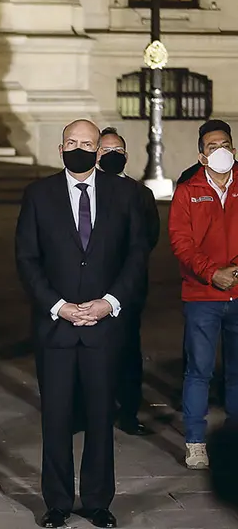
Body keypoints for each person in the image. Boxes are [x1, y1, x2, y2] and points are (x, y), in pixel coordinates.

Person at [15, 119, 147, 529]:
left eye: (87, 144)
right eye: (71, 142)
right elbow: (27, 258)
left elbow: (136, 255)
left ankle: (97, 502)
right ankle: (57, 503)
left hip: (104, 328)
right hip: (56, 327)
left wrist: (109, 303)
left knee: (100, 418)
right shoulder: (39, 195)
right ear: (60, 149)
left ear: (98, 150)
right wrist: (59, 306)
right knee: (55, 418)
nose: (79, 149)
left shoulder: (124, 194)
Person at [167, 119, 238, 471]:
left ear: (234, 149)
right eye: (213, 147)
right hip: (202, 297)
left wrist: (234, 272)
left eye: (225, 144)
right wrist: (213, 273)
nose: (220, 151)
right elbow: (182, 243)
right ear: (202, 156)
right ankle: (196, 442)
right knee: (199, 371)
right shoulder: (187, 190)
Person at [97, 126, 160, 435]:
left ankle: (128, 413)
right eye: (105, 150)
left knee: (128, 352)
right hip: (90, 288)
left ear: (126, 155)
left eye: (117, 151)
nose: (112, 155)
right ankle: (91, 412)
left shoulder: (141, 194)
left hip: (128, 290)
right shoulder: (83, 191)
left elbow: (150, 238)